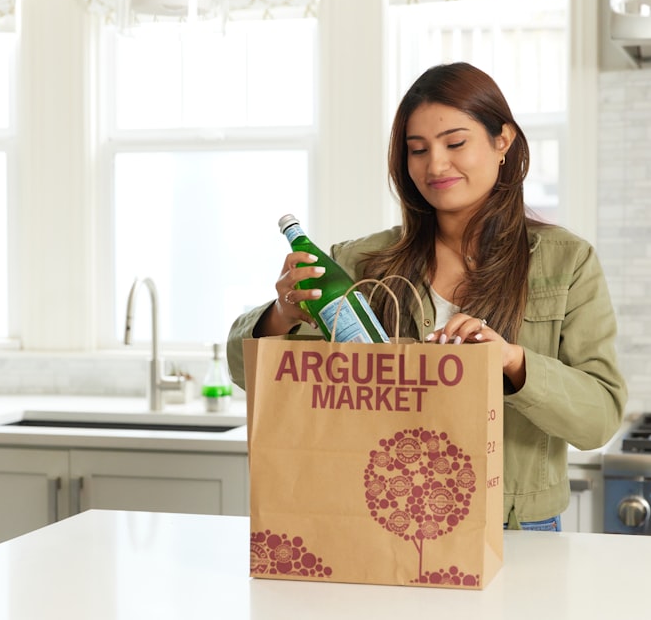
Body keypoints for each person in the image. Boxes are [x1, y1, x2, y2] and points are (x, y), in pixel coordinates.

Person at [227, 62, 627, 531]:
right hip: (380, 520)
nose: (435, 165)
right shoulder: (359, 262)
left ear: (503, 141)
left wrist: (512, 361)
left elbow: (599, 419)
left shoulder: (567, 262)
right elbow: (245, 372)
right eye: (418, 150)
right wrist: (281, 315)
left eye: (455, 143)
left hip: (515, 529)